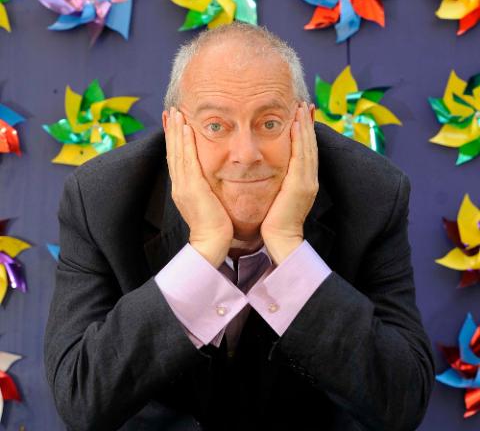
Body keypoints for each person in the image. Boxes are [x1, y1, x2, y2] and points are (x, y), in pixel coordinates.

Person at [44, 23, 434, 431]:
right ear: (175, 129)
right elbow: (80, 397)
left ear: (305, 124)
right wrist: (202, 252)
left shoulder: (373, 194)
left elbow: (401, 401)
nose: (246, 154)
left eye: (269, 124)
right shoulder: (100, 199)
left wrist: (290, 250)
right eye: (216, 125)